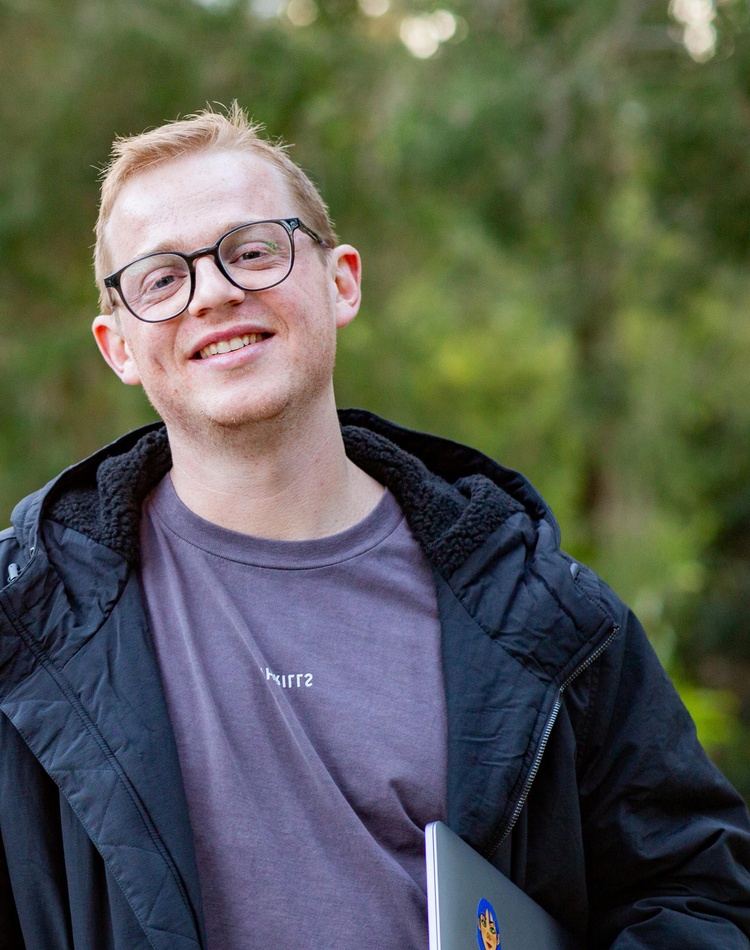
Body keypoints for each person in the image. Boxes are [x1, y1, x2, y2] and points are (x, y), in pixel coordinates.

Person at [0, 104, 749, 950]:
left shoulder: (543, 615)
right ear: (119, 347)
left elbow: (699, 892)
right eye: (161, 278)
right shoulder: (23, 630)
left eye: (251, 251)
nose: (212, 292)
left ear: (341, 281)